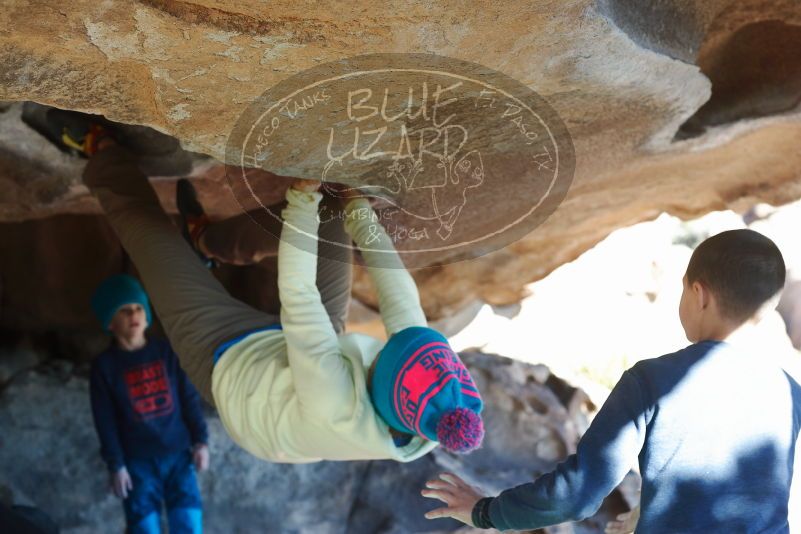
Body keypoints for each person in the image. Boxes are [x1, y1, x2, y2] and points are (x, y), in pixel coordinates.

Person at [57, 109, 484, 463]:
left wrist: (301, 201)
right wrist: (358, 210)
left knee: (149, 237)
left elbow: (299, 295)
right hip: (318, 351)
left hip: (231, 365)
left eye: (382, 358)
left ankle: (98, 147)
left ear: (379, 385)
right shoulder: (435, 397)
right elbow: (398, 294)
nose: (388, 345)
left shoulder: (333, 404)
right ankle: (210, 240)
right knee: (333, 208)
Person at [422, 229, 801, 532]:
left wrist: (485, 511)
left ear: (698, 294)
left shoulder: (654, 382)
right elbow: (740, 487)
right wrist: (642, 518)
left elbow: (578, 494)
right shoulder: (789, 393)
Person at [89, 274, 209, 534]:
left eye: (139, 307)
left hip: (178, 454)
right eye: (124, 309)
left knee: (189, 524)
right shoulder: (105, 367)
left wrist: (201, 441)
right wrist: (116, 464)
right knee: (144, 528)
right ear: (109, 322)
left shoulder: (167, 352)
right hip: (136, 463)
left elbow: (188, 397)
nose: (134, 313)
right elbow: (105, 421)